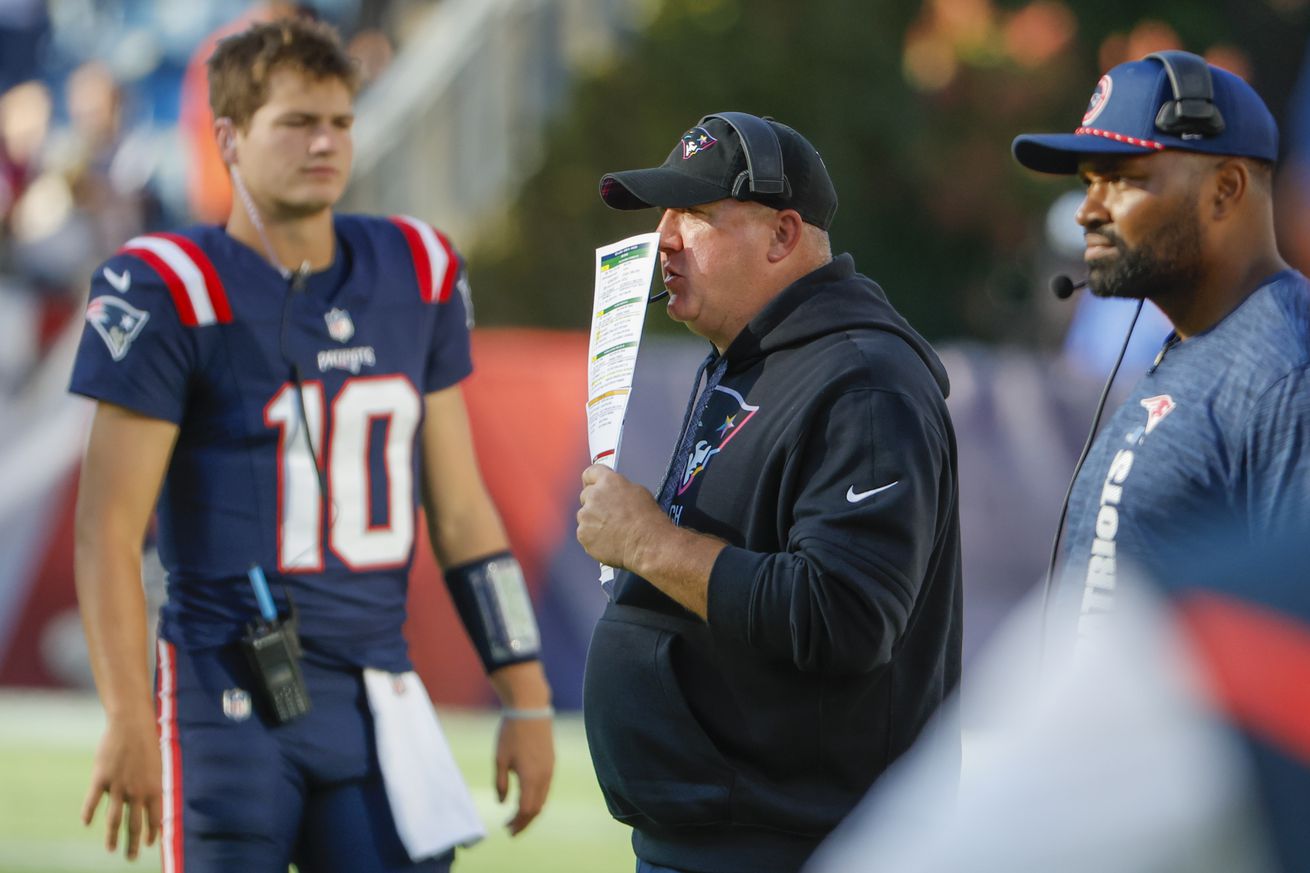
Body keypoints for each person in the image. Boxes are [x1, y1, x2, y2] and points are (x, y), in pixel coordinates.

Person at [70, 19, 553, 871]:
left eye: (339, 121)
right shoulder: (170, 285)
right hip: (225, 699)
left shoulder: (415, 267)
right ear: (228, 136)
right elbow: (107, 527)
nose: (325, 142)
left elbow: (463, 512)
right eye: (296, 122)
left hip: (379, 693)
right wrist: (124, 714)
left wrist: (526, 695)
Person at [576, 112, 964, 873]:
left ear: (783, 236)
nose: (664, 239)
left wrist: (649, 543)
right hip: (720, 839)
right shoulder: (747, 358)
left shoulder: (865, 381)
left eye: (692, 214)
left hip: (801, 847)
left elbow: (842, 615)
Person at [1011, 51, 1310, 639]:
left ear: (1225, 190)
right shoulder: (1192, 347)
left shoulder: (1288, 370)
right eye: (1089, 183)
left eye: (1122, 179)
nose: (1089, 212)